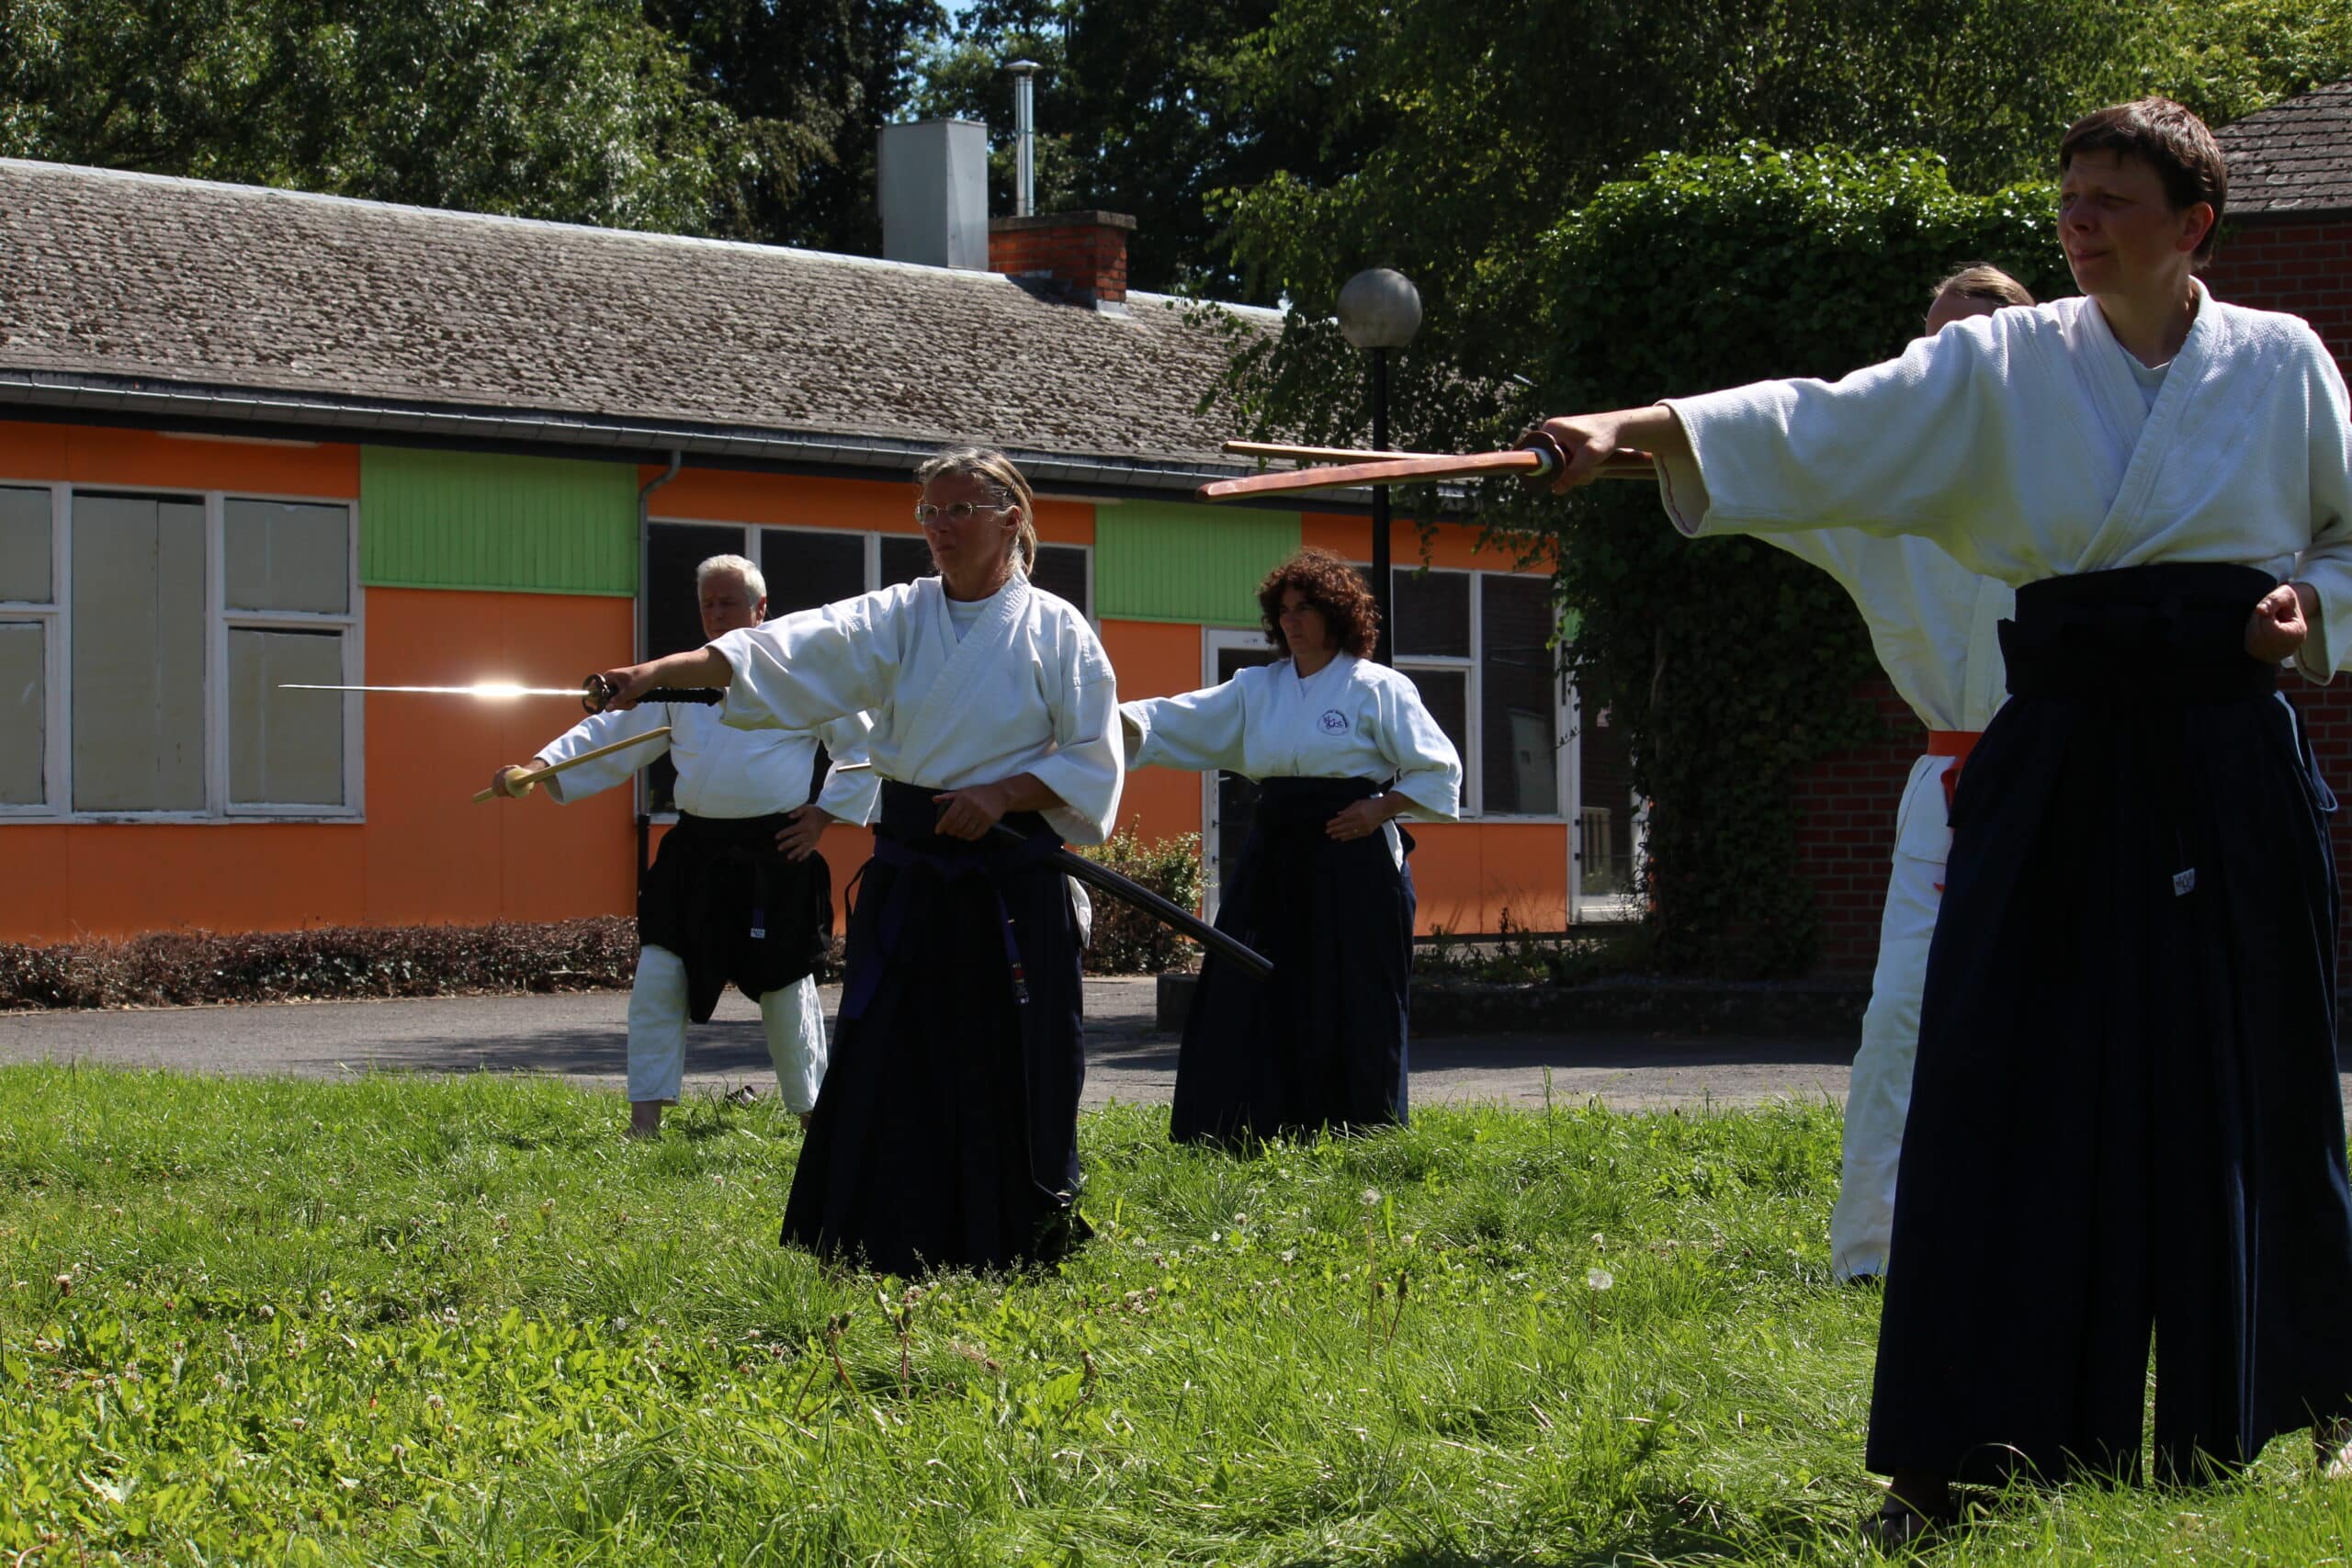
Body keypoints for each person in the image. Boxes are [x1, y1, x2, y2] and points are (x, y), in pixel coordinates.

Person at [1535, 98, 2352, 1533]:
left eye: (2112, 200)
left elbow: (2350, 534)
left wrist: (2315, 611)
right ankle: (1960, 1451)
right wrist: (1633, 427)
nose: (2081, 223)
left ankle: (2298, 1396)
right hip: (2061, 755)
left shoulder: (2281, 362)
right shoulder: (2002, 363)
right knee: (1995, 1083)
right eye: (2070, 196)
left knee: (2252, 1075)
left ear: (2194, 226)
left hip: (2228, 749)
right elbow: (1827, 416)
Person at [587, 447, 1122, 1275]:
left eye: (957, 511)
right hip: (913, 864)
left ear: (1010, 519)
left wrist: (1007, 792)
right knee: (891, 1048)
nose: (937, 528)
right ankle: (883, 1235)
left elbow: (1092, 760)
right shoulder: (900, 615)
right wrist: (653, 674)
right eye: (928, 513)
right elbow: (789, 647)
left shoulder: (1058, 630)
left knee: (1013, 1053)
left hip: (1009, 881)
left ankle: (1018, 1231)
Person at [1760, 264, 2034, 1284]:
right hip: (1950, 786)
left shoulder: (2076, 464)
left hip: (2069, 778)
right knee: (1901, 1018)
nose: (1935, 356)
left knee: (2065, 1015)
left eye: (1959, 335)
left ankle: (2053, 1239)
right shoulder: (1883, 489)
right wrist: (1621, 443)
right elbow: (1770, 460)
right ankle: (1875, 1252)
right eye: (1925, 339)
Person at [492, 554, 877, 1139]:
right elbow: (611, 732)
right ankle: (644, 1119)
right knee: (659, 974)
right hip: (694, 851)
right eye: (708, 604)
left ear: (761, 608)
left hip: (778, 851)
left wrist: (824, 815)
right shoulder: (677, 678)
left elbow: (862, 749)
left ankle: (813, 1120)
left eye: (729, 602)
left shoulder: (803, 672)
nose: (717, 614)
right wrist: (539, 766)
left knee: (785, 988)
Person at [1121, 548, 1462, 1145]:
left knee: (1356, 988)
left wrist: (1379, 807)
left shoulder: (1378, 686)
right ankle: (1241, 1123)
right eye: (1283, 611)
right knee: (1248, 979)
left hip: (1354, 850)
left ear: (1337, 612)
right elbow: (1180, 719)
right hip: (1276, 851)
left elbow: (1438, 767)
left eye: (1306, 608)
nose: (1292, 621)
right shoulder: (1257, 688)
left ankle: (1363, 1128)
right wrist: (1104, 723)